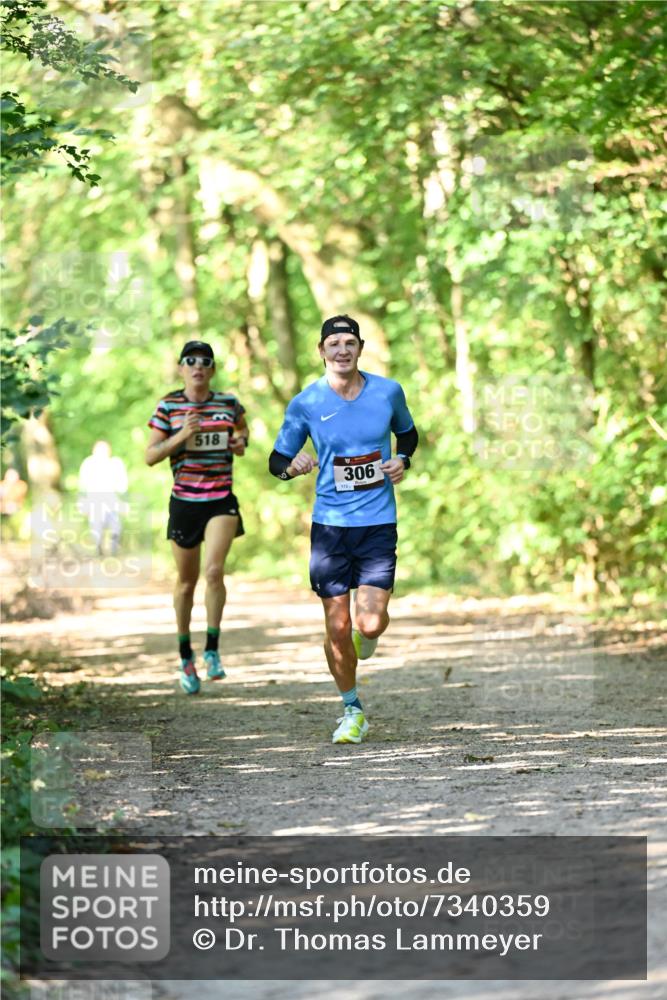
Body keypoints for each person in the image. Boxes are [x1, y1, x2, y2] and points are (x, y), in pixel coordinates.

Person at [269, 314, 418, 743]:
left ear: (360, 348)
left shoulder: (388, 392)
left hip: (377, 523)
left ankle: (364, 638)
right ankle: (352, 709)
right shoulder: (306, 402)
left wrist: (402, 460)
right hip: (330, 527)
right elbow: (277, 460)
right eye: (333, 343)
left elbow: (408, 436)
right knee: (336, 627)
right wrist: (291, 468)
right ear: (321, 351)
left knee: (368, 624)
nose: (341, 349)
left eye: (349, 342)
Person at [146, 340, 249, 695]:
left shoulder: (228, 403)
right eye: (191, 361)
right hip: (185, 502)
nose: (198, 367)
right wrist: (183, 435)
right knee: (186, 582)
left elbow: (242, 432)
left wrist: (239, 442)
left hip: (221, 498)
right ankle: (184, 654)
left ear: (213, 369)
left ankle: (213, 651)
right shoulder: (169, 406)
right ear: (181, 368)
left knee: (215, 571)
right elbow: (150, 456)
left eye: (205, 361)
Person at [78, 441, 128, 556]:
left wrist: (124, 502)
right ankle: (99, 550)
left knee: (116, 527)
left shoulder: (115, 463)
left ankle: (113, 551)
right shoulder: (88, 464)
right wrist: (82, 502)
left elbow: (123, 485)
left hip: (112, 500)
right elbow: (82, 485)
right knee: (96, 528)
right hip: (94, 500)